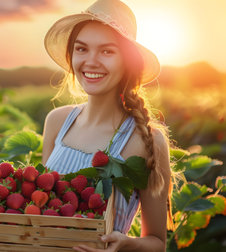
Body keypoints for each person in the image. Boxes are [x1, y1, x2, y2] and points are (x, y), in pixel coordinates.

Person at [42, 0, 173, 251]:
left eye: (106, 51)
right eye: (81, 49)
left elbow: (157, 242)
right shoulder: (57, 121)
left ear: (128, 62)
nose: (91, 61)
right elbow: (45, 206)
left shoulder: (146, 141)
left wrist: (127, 245)